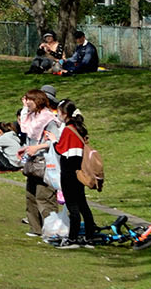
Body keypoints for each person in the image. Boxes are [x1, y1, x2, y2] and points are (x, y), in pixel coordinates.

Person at [17, 86, 62, 239]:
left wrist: (37, 147)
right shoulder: (31, 118)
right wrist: (26, 149)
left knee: (45, 197)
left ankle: (53, 231)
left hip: (46, 163)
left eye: (30, 100)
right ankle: (35, 228)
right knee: (31, 196)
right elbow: (29, 135)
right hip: (32, 162)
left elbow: (55, 142)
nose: (27, 103)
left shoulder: (49, 119)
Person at [53, 104, 99, 247]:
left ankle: (72, 238)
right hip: (80, 172)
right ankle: (89, 237)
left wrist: (54, 140)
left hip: (69, 173)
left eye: (59, 112)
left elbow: (60, 150)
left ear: (65, 113)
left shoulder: (68, 130)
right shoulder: (80, 129)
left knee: (73, 207)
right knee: (83, 205)